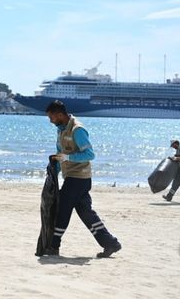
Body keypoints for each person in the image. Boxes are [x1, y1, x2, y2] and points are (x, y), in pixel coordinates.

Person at [42, 100, 121, 258]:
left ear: (60, 115)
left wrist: (68, 157)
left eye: (51, 117)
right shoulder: (60, 129)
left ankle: (54, 245)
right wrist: (54, 171)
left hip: (79, 178)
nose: (50, 121)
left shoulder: (78, 130)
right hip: (71, 177)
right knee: (86, 213)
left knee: (62, 209)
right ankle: (110, 243)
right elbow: (60, 155)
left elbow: (90, 154)